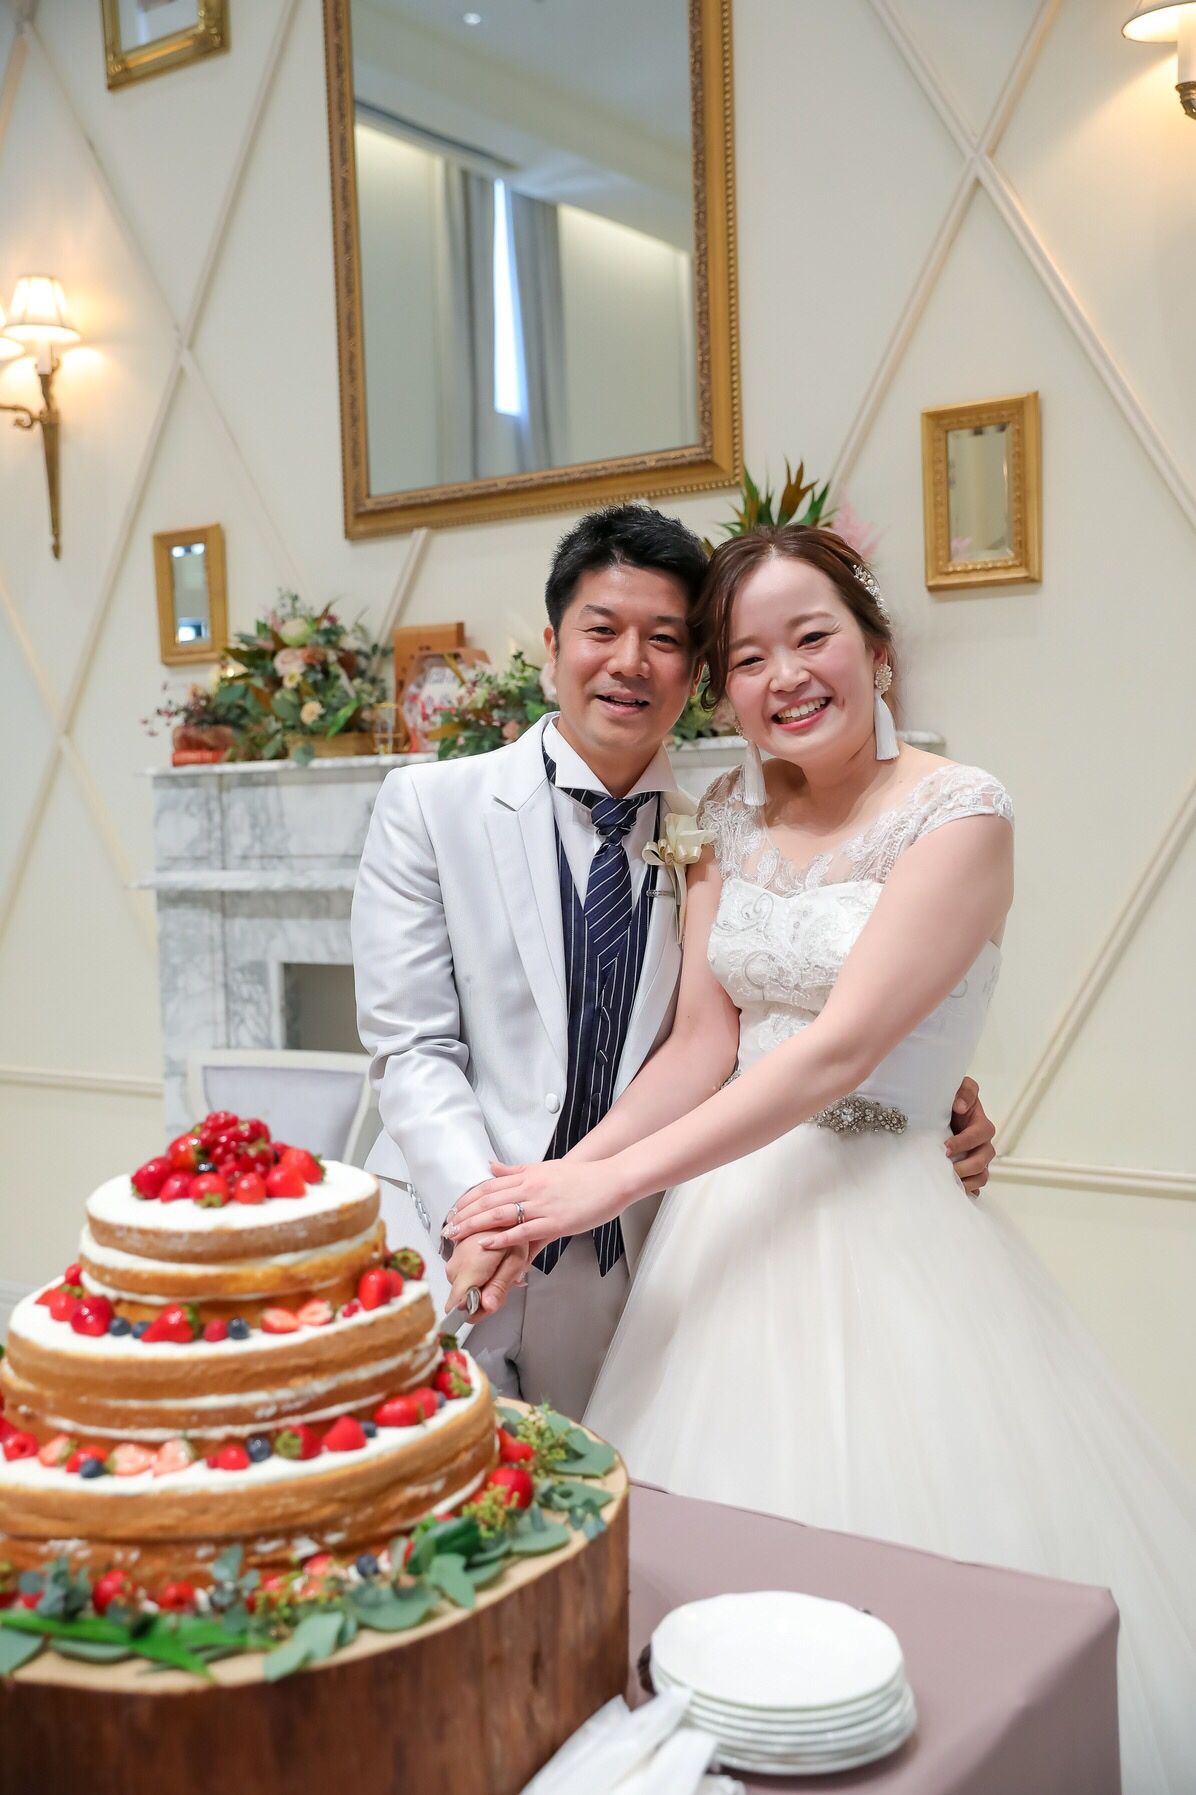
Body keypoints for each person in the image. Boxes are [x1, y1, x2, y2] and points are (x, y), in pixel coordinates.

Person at [448, 524, 1196, 1792]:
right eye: (746, 657)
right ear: (720, 690)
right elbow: (700, 1046)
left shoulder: (959, 811)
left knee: (915, 1605)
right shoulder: (727, 814)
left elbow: (838, 1052)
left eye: (811, 638)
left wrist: (601, 1184)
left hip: (887, 1218)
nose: (783, 676)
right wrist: (553, 1181)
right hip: (722, 1232)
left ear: (875, 649)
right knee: (689, 1585)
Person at [353, 505, 996, 1421]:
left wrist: (923, 1089)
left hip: (638, 1267)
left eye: (663, 639)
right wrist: (491, 1211)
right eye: (602, 630)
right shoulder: (430, 804)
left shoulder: (710, 825)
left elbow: (772, 1031)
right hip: (446, 1235)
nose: (630, 661)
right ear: (552, 645)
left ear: (694, 676)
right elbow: (412, 1047)